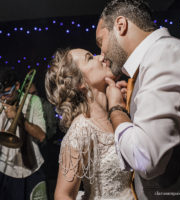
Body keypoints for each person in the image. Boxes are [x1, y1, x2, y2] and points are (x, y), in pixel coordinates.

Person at [96, 0, 180, 199]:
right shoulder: (151, 62)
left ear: (121, 25)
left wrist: (116, 109)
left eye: (101, 42)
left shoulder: (163, 55)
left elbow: (145, 158)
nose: (102, 55)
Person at [45, 48, 135, 200]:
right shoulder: (81, 129)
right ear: (80, 82)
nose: (101, 57)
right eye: (90, 58)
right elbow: (62, 196)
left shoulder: (117, 113)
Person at [0, 68, 47, 200]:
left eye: (6, 93)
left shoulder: (33, 101)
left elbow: (41, 136)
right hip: (6, 171)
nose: (3, 98)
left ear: (17, 85)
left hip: (33, 169)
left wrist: (19, 118)